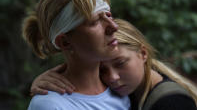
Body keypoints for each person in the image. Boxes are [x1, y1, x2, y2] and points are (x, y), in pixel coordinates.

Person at [30, 19, 197, 110]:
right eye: (102, 70)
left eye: (121, 63)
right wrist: (44, 81)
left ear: (143, 53)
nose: (112, 78)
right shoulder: (127, 92)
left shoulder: (173, 104)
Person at [22, 0, 131, 110]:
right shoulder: (51, 105)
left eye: (109, 15)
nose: (114, 26)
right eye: (95, 21)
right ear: (65, 42)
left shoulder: (124, 85)